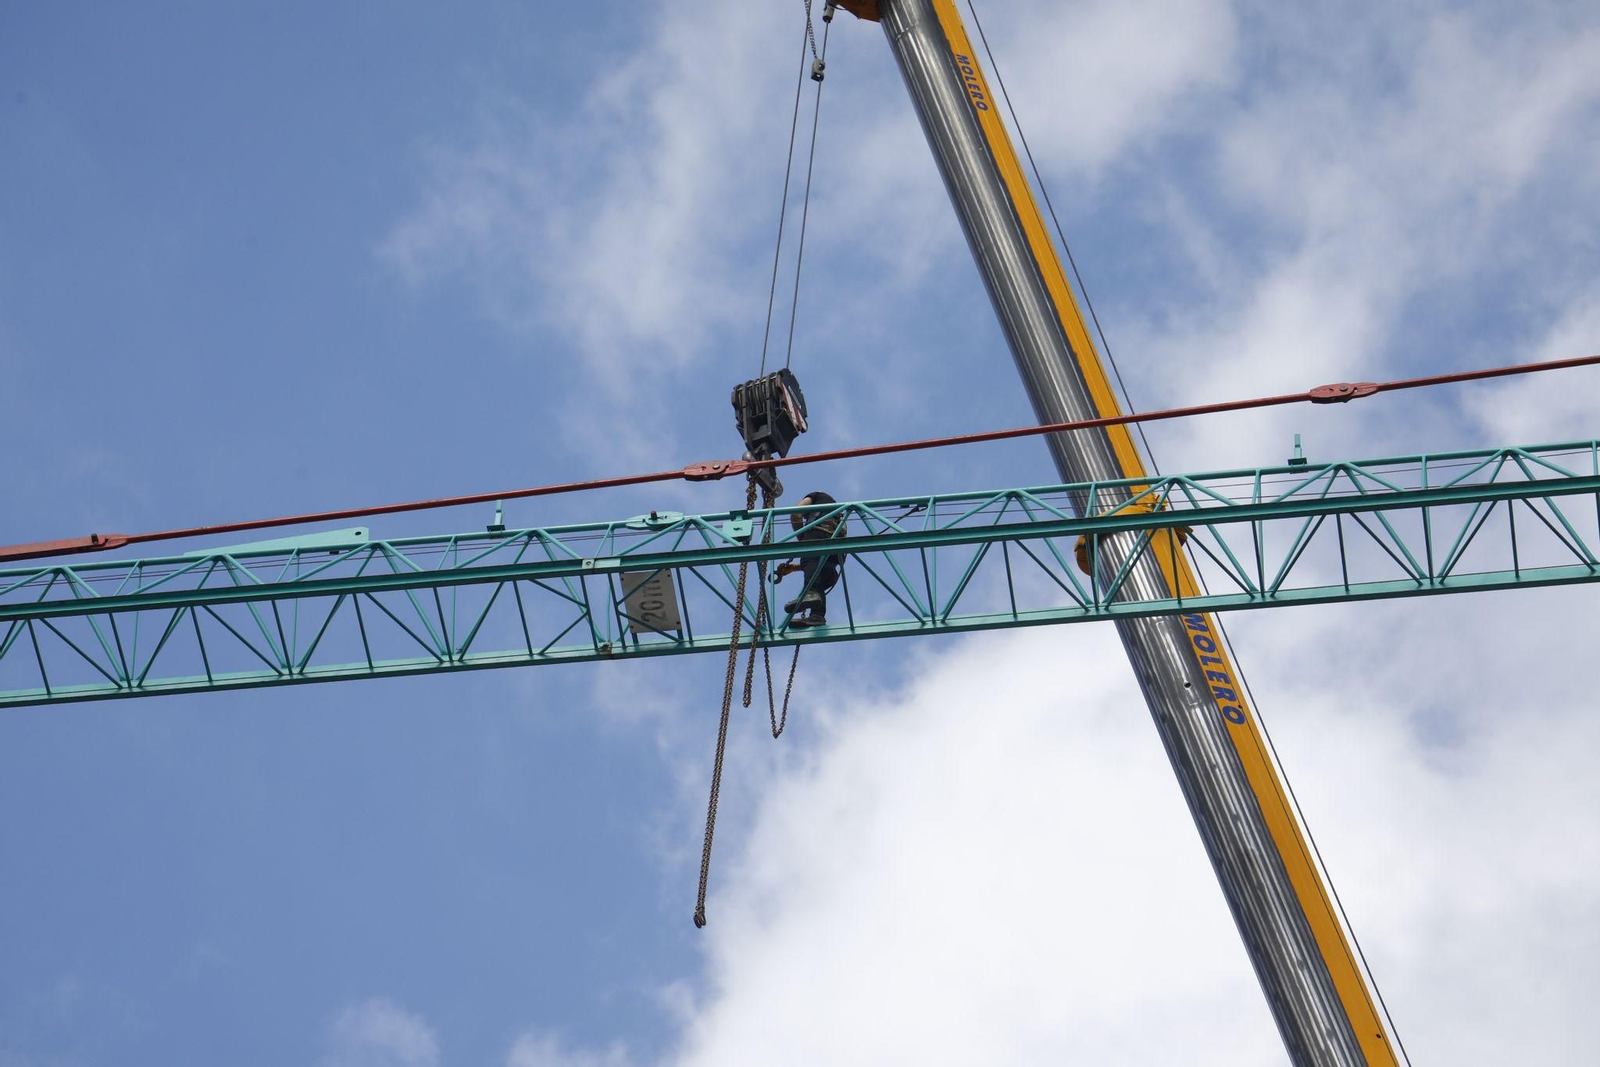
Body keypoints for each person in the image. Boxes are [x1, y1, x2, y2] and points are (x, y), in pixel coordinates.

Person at [775, 491, 845, 628]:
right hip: (836, 552)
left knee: (811, 569)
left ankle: (811, 594)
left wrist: (803, 541)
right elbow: (815, 561)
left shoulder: (816, 495)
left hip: (819, 534)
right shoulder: (838, 515)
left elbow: (795, 513)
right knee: (818, 576)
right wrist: (794, 568)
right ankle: (817, 616)